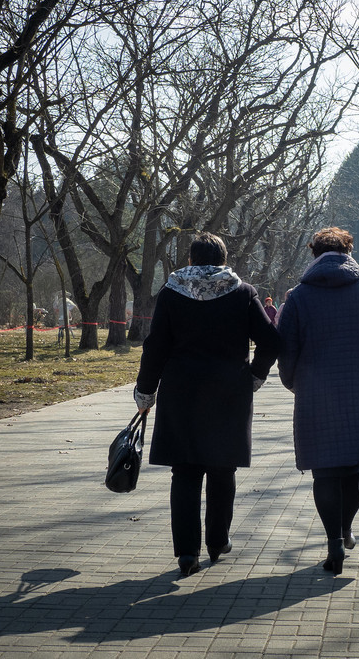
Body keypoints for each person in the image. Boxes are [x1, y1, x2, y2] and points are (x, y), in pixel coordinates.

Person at [133, 232, 280, 577]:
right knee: (221, 469)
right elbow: (271, 341)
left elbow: (155, 347)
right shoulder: (243, 293)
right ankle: (217, 541)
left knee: (184, 472)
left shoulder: (171, 293)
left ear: (190, 260)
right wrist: (254, 377)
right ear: (224, 260)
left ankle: (187, 553)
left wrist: (145, 392)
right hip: (229, 393)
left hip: (181, 392)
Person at [277, 227, 359, 575]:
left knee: (325, 473)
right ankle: (346, 528)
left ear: (314, 253)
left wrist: (292, 383)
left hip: (315, 397)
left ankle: (334, 542)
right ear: (349, 252)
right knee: (356, 468)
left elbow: (285, 349)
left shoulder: (300, 295)